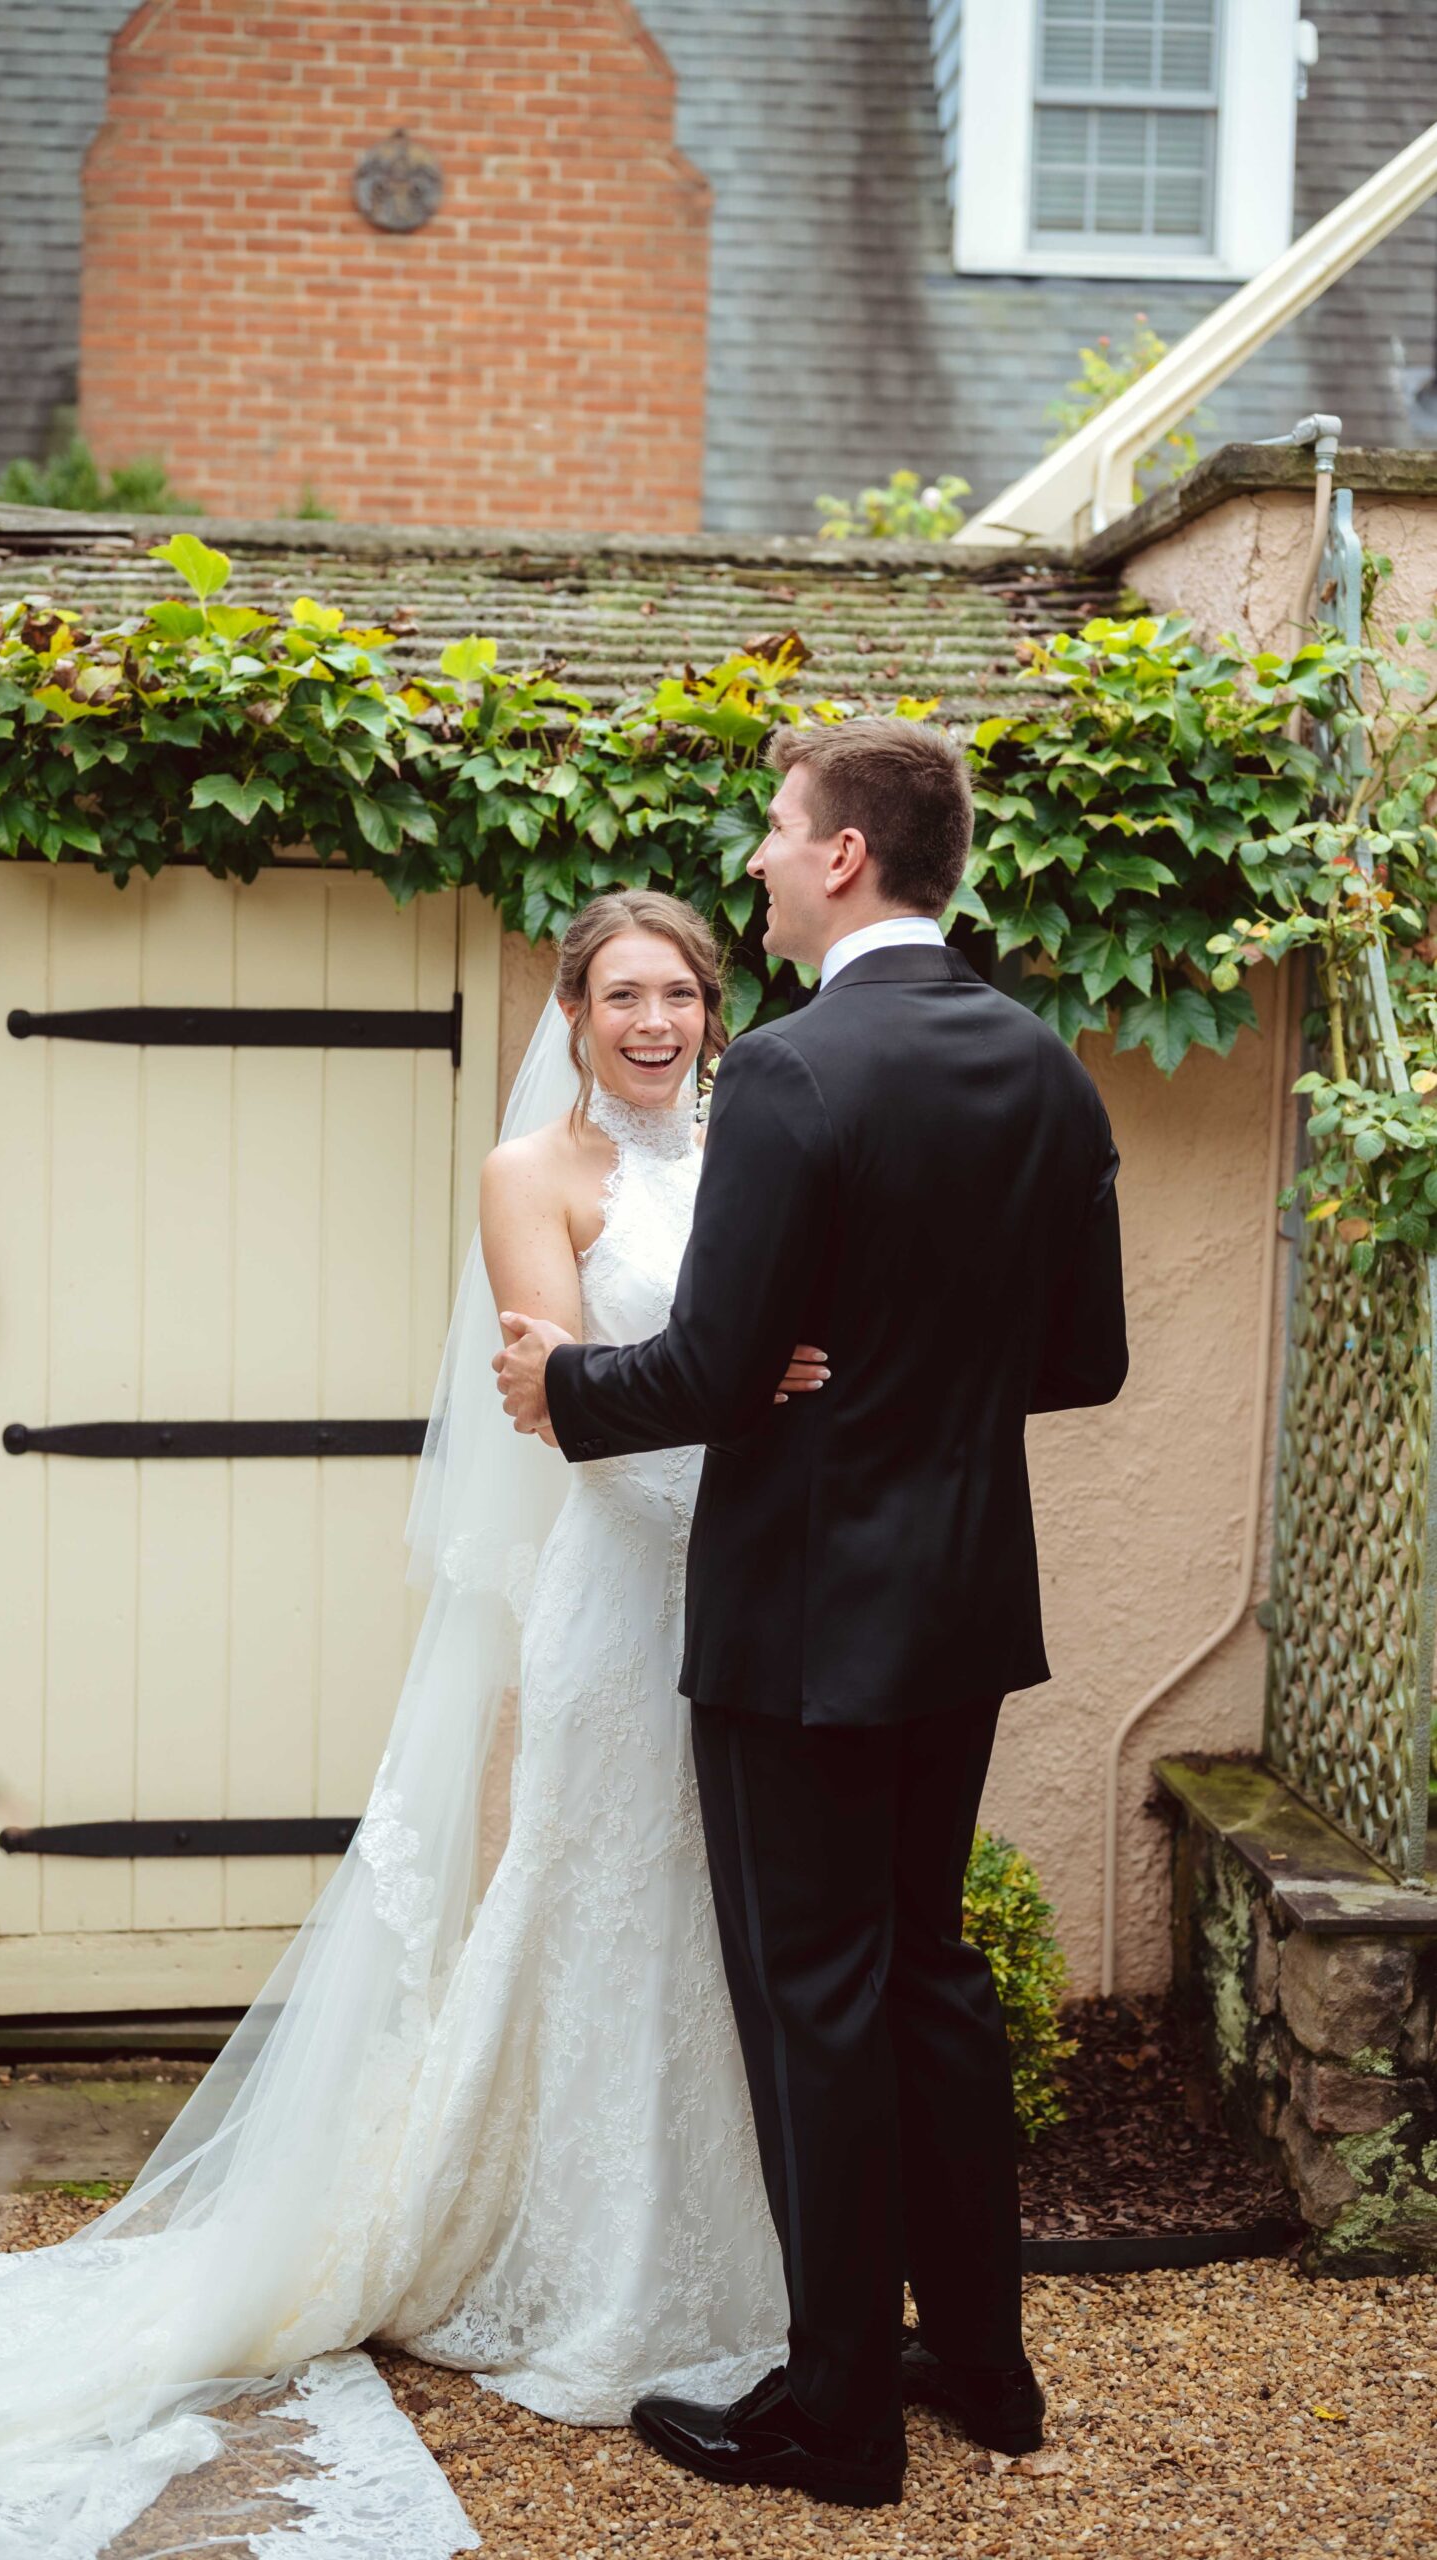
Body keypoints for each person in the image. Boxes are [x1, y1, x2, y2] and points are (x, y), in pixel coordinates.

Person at [0, 889, 818, 2560]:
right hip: (627, 1594)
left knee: (732, 1929)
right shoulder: (530, 1175)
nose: (655, 1024)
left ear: (715, 1008)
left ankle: (759, 2264)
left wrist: (769, 1392)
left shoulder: (758, 1151)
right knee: (606, 1916)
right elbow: (563, 1410)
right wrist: (751, 1394)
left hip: (756, 1590)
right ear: (573, 1014)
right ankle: (587, 2272)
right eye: (622, 996)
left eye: (678, 992)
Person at [495, 716, 1129, 2510]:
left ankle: (840, 2413)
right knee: (928, 1970)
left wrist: (561, 1386)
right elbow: (1084, 1359)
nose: (762, 860)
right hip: (961, 1606)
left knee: (816, 2002)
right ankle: (985, 2366)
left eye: (780, 830)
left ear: (846, 855)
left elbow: (712, 1370)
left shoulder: (788, 1069)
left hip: (797, 1615)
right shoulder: (1044, 1064)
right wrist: (909, 1382)